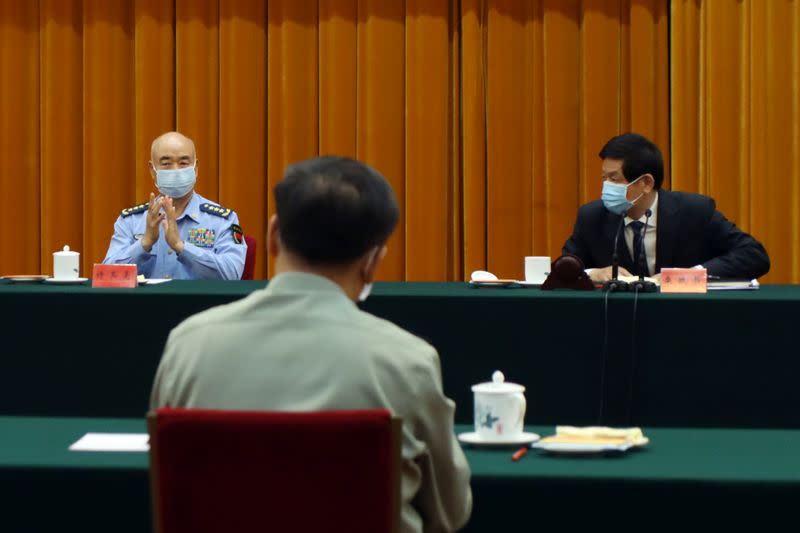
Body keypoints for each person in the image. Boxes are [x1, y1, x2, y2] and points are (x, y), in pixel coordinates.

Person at [150, 156, 472, 533]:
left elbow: (164, 482)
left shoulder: (189, 345)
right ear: (373, 262)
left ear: (272, 237)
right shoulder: (408, 361)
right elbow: (450, 512)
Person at [563, 133, 770, 282]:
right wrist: (593, 273)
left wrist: (690, 275)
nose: (607, 186)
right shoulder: (592, 216)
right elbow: (563, 268)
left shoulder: (694, 212)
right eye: (604, 178)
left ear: (646, 183)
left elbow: (754, 255)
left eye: (614, 179)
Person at [103, 131, 246, 280]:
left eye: (184, 163)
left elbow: (231, 275)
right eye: (166, 164)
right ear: (153, 170)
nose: (176, 170)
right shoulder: (131, 220)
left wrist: (181, 247)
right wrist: (144, 244)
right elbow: (107, 275)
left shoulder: (223, 220)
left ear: (195, 168)